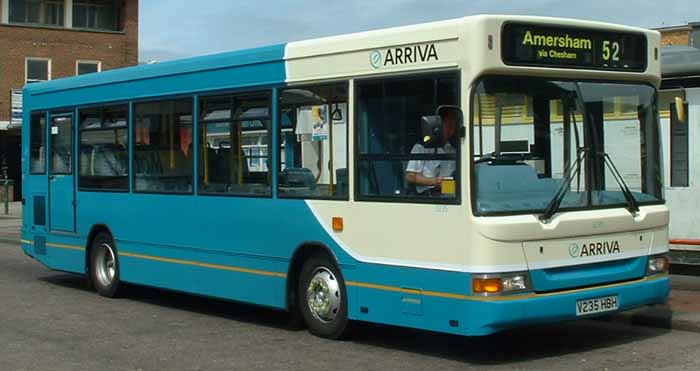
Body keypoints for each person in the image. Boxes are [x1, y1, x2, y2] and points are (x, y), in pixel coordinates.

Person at [405, 108, 459, 195]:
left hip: (448, 194)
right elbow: (410, 176)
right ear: (438, 126)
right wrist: (434, 182)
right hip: (427, 196)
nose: (450, 129)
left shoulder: (453, 151)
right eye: (448, 125)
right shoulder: (421, 147)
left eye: (453, 126)